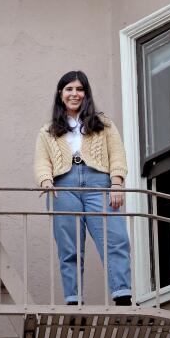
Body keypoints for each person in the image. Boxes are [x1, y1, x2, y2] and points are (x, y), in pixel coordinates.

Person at [33, 70, 132, 306]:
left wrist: (116, 182)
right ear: (61, 94)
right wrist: (46, 181)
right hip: (63, 185)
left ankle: (122, 297)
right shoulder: (48, 130)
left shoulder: (104, 124)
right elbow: (41, 161)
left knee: (116, 240)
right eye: (69, 89)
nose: (74, 94)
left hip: (100, 183)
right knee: (69, 247)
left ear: (85, 93)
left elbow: (117, 154)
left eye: (79, 89)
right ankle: (73, 301)